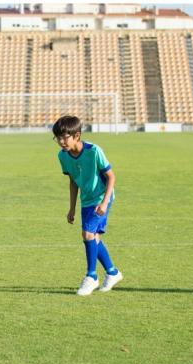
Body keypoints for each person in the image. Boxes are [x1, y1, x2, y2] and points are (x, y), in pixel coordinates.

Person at [53, 115, 123, 296]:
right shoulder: (63, 156)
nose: (61, 142)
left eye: (64, 137)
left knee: (87, 234)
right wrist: (71, 208)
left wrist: (105, 202)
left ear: (77, 135)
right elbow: (73, 182)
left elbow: (111, 177)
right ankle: (112, 272)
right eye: (58, 138)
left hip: (101, 197)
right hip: (86, 199)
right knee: (94, 239)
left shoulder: (94, 151)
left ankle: (91, 276)